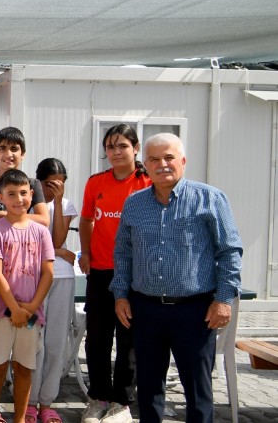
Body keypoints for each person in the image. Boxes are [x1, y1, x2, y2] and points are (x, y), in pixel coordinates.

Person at [111, 133, 242, 423]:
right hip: (145, 309)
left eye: (169, 157)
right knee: (148, 389)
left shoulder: (210, 199)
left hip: (195, 311)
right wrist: (120, 295)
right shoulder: (134, 204)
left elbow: (229, 251)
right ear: (145, 165)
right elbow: (123, 253)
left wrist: (223, 300)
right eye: (154, 159)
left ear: (183, 160)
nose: (162, 164)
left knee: (197, 390)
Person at [78, 124, 151, 423]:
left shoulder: (147, 182)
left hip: (135, 275)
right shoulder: (96, 182)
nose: (116, 152)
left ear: (136, 148)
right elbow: (86, 220)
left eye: (122, 146)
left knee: (128, 340)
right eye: (110, 146)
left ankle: (121, 403)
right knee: (97, 339)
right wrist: (86, 253)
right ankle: (98, 398)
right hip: (100, 272)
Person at [0, 169, 55, 423]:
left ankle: (20, 418)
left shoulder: (41, 232)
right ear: (1, 197)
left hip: (31, 314)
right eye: (11, 194)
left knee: (24, 367)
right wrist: (14, 308)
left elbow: (48, 273)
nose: (18, 199)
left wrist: (31, 308)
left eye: (23, 193)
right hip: (2, 313)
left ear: (31, 195)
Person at [28, 158, 78, 423]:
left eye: (59, 184)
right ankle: (28, 399)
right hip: (32, 277)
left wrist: (58, 203)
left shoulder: (66, 205)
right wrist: (58, 251)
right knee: (33, 340)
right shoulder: (28, 202)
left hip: (62, 277)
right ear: (38, 181)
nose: (53, 189)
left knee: (56, 341)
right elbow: (31, 242)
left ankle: (47, 401)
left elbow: (57, 237)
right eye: (48, 184)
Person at [0, 127, 49, 226]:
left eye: (14, 149)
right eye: (2, 148)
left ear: (22, 154)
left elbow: (44, 220)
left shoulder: (32, 184)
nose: (8, 154)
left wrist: (5, 215)